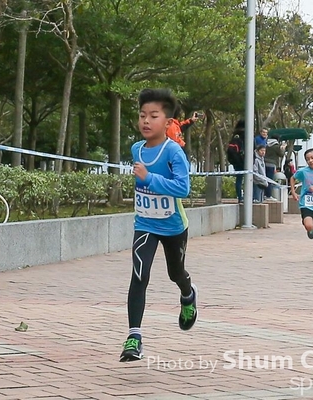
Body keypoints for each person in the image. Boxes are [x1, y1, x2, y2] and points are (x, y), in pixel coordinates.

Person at [120, 89, 197, 362]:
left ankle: (188, 294)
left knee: (175, 273)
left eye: (153, 116)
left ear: (168, 122)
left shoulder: (173, 151)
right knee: (139, 275)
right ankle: (134, 338)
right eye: (142, 115)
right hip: (145, 224)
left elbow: (183, 188)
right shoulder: (136, 149)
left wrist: (149, 178)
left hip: (174, 226)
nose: (146, 121)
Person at [226, 120, 245, 203]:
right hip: (241, 161)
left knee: (239, 179)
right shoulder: (242, 136)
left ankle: (240, 197)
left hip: (238, 162)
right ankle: (242, 197)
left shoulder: (235, 135)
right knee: (243, 179)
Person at [264, 135, 286, 201]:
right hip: (271, 164)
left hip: (264, 163)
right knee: (270, 180)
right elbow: (281, 154)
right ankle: (268, 195)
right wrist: (283, 148)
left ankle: (264, 194)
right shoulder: (276, 146)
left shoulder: (266, 144)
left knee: (264, 179)